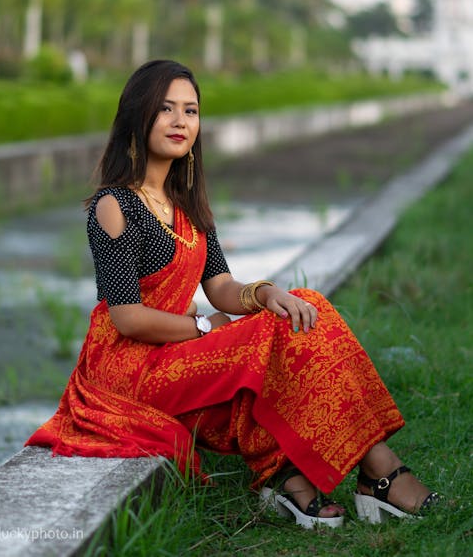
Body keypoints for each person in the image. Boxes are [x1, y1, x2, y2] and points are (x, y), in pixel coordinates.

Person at [26, 59, 438, 529]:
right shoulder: (114, 205)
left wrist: (266, 295)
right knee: (267, 344)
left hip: (175, 351)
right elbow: (126, 317)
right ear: (136, 118)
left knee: (307, 305)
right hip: (128, 368)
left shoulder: (186, 205)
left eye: (191, 111)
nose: (181, 122)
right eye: (166, 109)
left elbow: (220, 286)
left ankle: (306, 474)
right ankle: (378, 474)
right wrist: (201, 327)